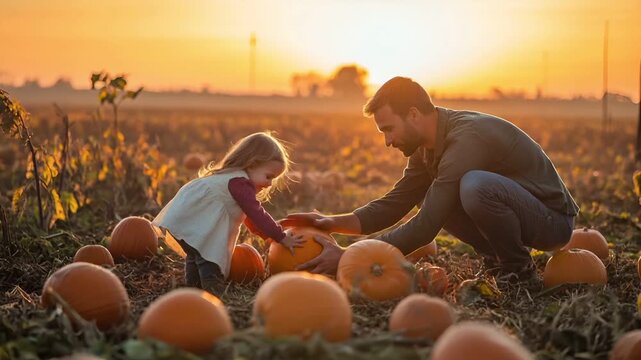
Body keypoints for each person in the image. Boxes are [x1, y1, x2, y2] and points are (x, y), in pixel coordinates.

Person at [287, 76, 578, 283]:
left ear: (413, 114)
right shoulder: (425, 147)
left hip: (552, 221)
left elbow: (426, 227)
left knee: (475, 186)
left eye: (389, 129)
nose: (387, 141)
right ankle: (497, 258)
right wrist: (333, 222)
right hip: (522, 213)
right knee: (435, 195)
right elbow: (396, 203)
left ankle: (518, 270)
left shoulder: (466, 138)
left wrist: (352, 257)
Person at [153, 132, 305, 295]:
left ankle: (193, 288)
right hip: (196, 221)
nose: (270, 184)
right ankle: (213, 293)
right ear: (252, 164)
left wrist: (267, 236)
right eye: (269, 176)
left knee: (195, 254)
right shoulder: (240, 183)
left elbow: (249, 218)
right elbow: (256, 213)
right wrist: (280, 236)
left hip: (187, 219)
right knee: (208, 260)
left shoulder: (230, 179)